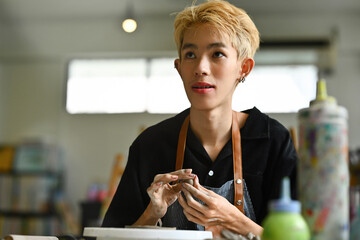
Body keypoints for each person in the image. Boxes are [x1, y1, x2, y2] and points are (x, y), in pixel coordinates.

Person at [102, 0, 297, 237]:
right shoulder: (150, 145)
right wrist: (153, 213)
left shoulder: (273, 141)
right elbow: (111, 237)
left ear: (243, 68)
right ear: (179, 67)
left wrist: (234, 220)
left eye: (217, 54)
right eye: (191, 54)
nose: (201, 67)